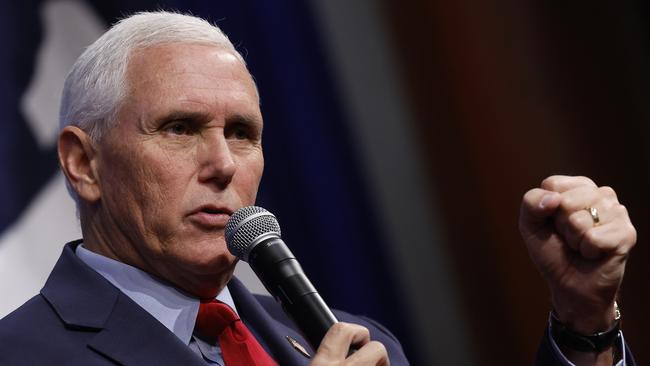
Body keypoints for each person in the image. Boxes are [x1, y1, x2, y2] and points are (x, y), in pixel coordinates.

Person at [0, 11, 636, 366]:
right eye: (180, 128)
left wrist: (583, 324)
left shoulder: (357, 345)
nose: (223, 164)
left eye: (244, 134)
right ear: (83, 164)